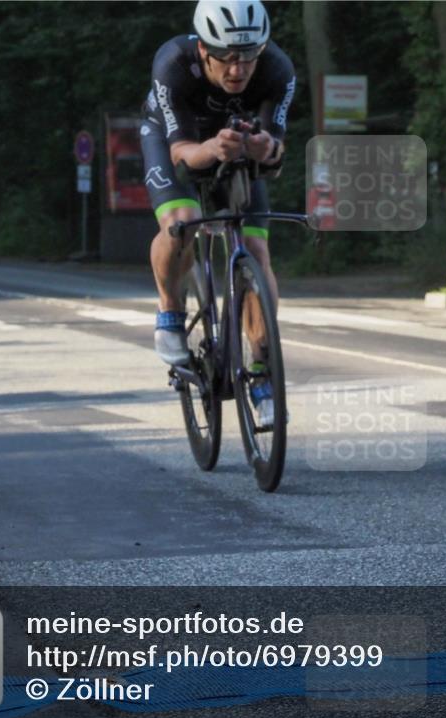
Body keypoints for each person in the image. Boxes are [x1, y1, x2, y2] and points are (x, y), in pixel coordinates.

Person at [141, 0, 295, 424]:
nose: (237, 68)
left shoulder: (277, 68)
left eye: (247, 56)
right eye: (226, 56)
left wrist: (268, 147)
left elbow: (276, 150)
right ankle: (170, 311)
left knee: (256, 254)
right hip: (176, 141)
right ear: (203, 49)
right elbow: (181, 153)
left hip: (236, 146)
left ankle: (262, 373)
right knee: (181, 223)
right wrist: (211, 148)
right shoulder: (173, 63)